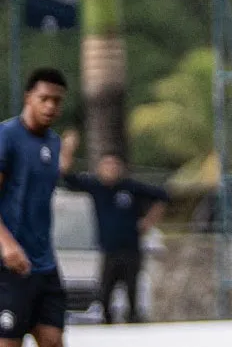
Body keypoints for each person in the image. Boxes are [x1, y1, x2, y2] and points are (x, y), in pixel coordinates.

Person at [58, 130, 168, 324]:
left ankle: (133, 324)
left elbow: (163, 196)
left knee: (132, 292)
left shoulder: (131, 187)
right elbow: (66, 177)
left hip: (131, 249)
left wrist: (148, 222)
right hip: (109, 250)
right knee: (105, 293)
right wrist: (68, 149)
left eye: (114, 165)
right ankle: (106, 324)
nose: (110, 169)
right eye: (106, 165)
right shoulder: (96, 187)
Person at [0, 68, 68, 347]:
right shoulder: (6, 136)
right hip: (9, 265)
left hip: (44, 264)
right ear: (28, 97)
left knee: (53, 339)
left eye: (57, 100)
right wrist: (6, 244)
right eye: (44, 98)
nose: (50, 106)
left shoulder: (53, 142)